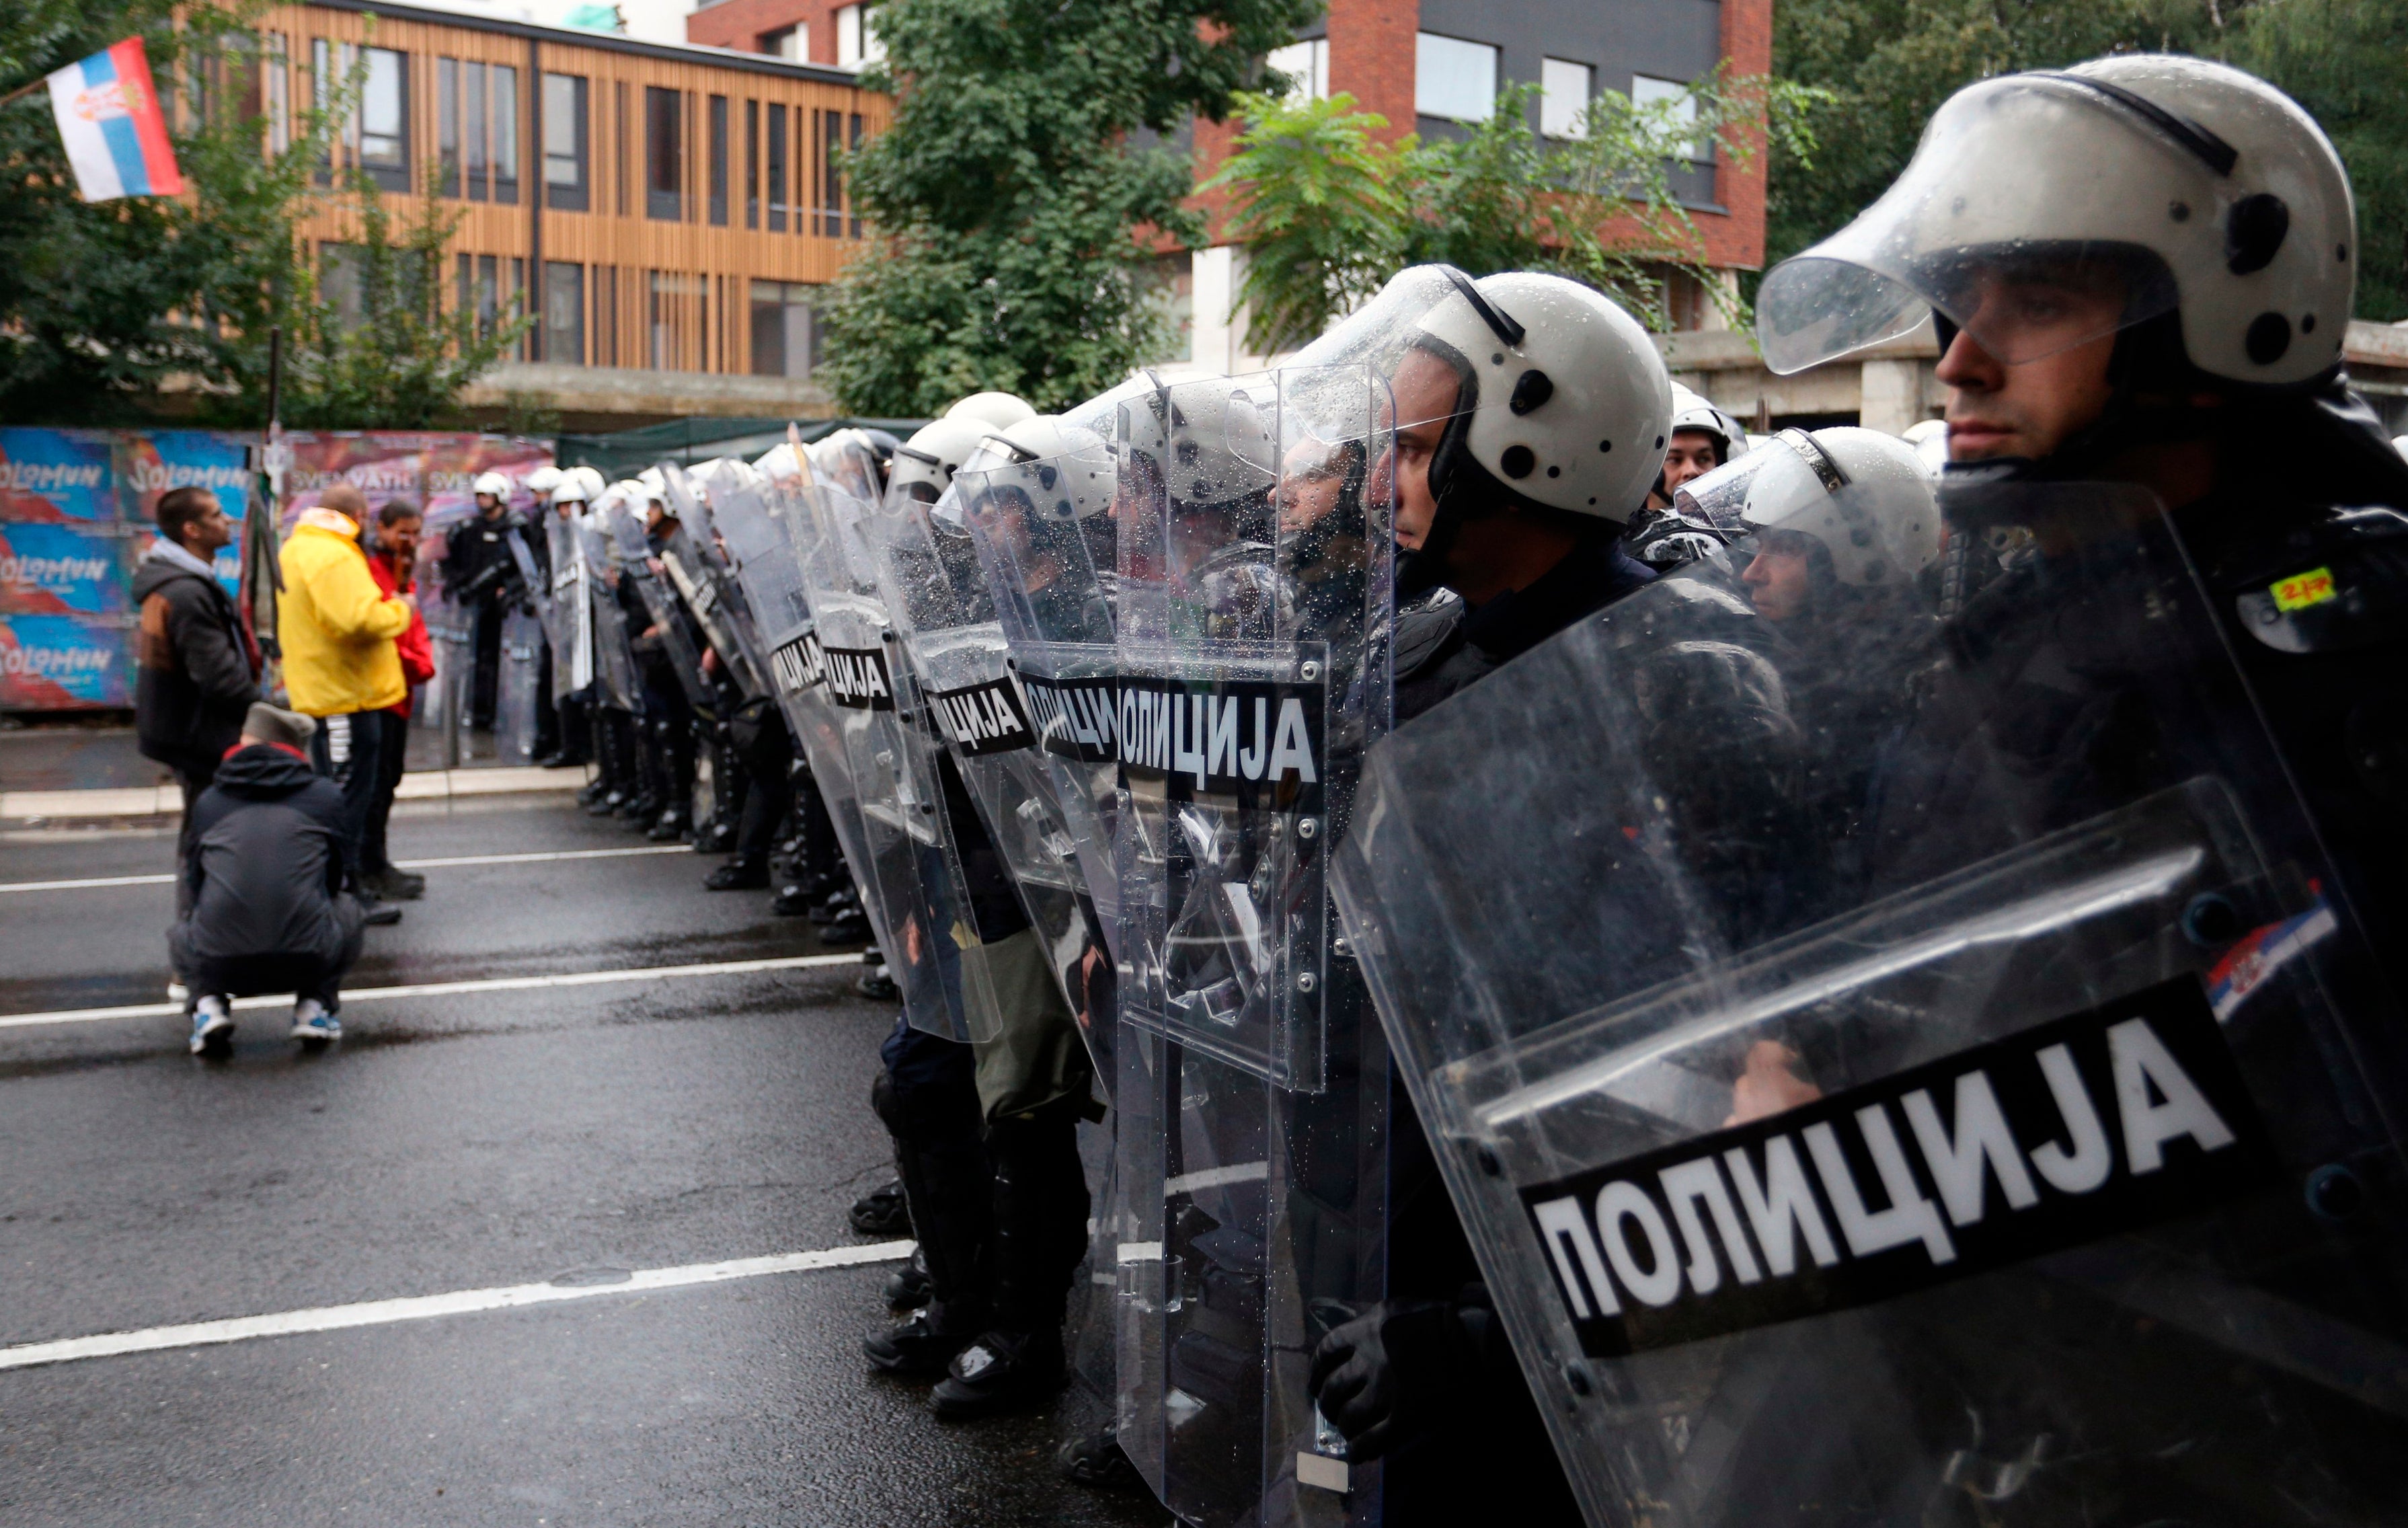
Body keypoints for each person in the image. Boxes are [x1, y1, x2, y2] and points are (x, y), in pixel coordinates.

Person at [171, 702, 365, 1056]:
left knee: (184, 922)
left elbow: (196, 885)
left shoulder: (210, 802)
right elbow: (341, 878)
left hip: (219, 961)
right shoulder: (325, 798)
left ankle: (208, 1005)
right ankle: (315, 1007)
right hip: (308, 957)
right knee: (350, 908)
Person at [276, 484, 414, 927]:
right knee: (345, 799)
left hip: (332, 691)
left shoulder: (302, 547)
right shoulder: (332, 554)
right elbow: (357, 619)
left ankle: (342, 885)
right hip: (343, 694)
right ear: (354, 514)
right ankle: (343, 890)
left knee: (340, 792)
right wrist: (401, 610)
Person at [132, 485, 261, 905]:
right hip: (199, 734)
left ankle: (202, 936)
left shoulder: (185, 583)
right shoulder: (185, 592)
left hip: (191, 730)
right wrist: (268, 714)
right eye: (217, 515)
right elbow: (218, 677)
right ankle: (196, 945)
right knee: (207, 839)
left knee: (208, 832)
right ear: (192, 530)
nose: (228, 522)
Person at [360, 501, 435, 903]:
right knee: (372, 785)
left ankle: (375, 864)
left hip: (399, 691)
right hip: (381, 693)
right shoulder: (371, 570)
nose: (410, 540)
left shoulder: (399, 572)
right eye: (402, 532)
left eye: (415, 532)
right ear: (382, 529)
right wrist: (414, 662)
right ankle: (367, 868)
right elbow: (386, 628)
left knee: (386, 781)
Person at [440, 471, 525, 731]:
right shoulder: (469, 530)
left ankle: (495, 715)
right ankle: (476, 713)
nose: (482, 501)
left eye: (487, 496)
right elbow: (454, 564)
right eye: (479, 496)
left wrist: (509, 589)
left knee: (495, 661)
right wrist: (458, 586)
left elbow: (523, 568)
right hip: (472, 604)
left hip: (503, 607)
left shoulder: (514, 528)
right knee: (474, 660)